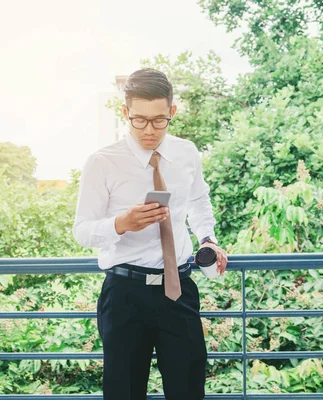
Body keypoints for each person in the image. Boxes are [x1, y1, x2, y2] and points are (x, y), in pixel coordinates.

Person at [73, 68, 228, 400]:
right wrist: (121, 223)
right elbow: (82, 230)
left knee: (188, 389)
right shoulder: (102, 162)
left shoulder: (186, 153)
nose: (148, 130)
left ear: (172, 112)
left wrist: (208, 239)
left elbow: (199, 199)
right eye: (138, 120)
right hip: (125, 294)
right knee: (124, 393)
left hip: (178, 289)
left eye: (159, 120)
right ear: (125, 112)